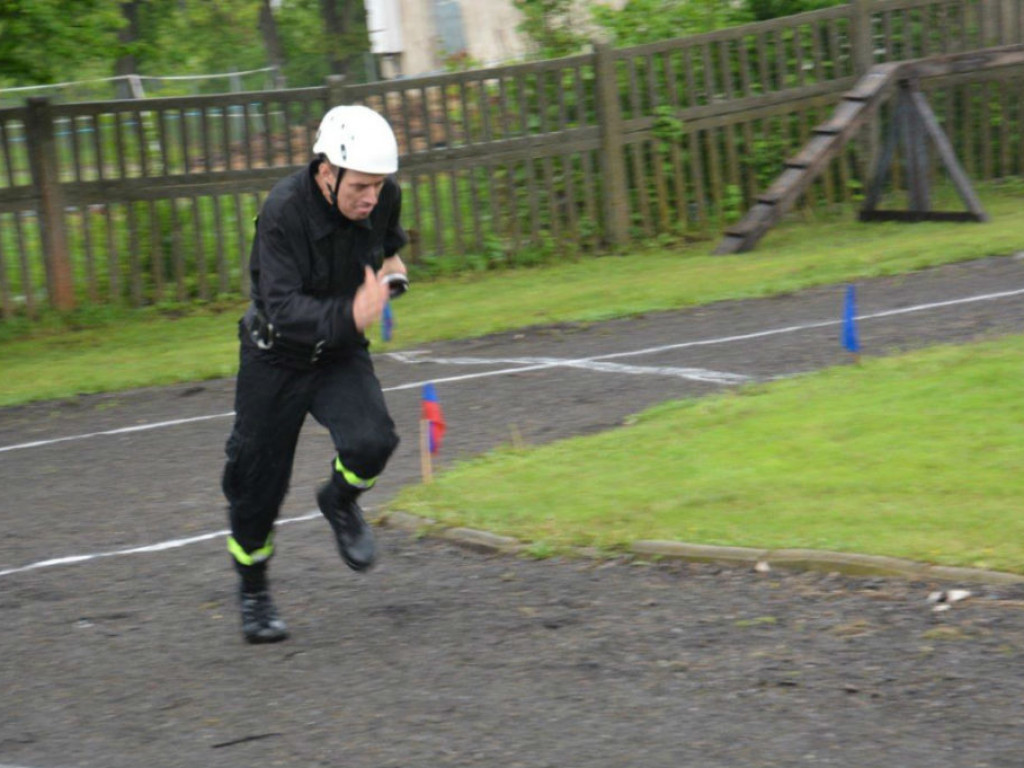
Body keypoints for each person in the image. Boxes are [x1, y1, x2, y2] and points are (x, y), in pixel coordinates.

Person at [221, 105, 409, 644]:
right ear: (327, 172)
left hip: (338, 353)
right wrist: (353, 313)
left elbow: (388, 249)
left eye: (379, 186)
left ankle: (339, 499)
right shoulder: (282, 211)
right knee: (257, 487)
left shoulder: (382, 196)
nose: (371, 198)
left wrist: (393, 278)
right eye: (360, 188)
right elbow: (281, 307)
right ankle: (254, 590)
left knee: (374, 441)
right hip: (274, 357)